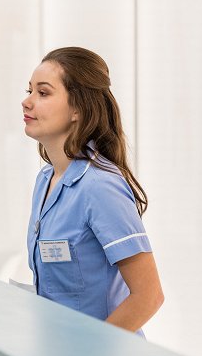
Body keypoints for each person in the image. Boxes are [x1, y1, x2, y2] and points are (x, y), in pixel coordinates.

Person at [22, 47, 164, 335]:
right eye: (29, 91)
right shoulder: (46, 179)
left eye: (43, 93)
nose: (27, 102)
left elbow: (148, 296)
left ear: (78, 109)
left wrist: (89, 355)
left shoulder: (100, 187)